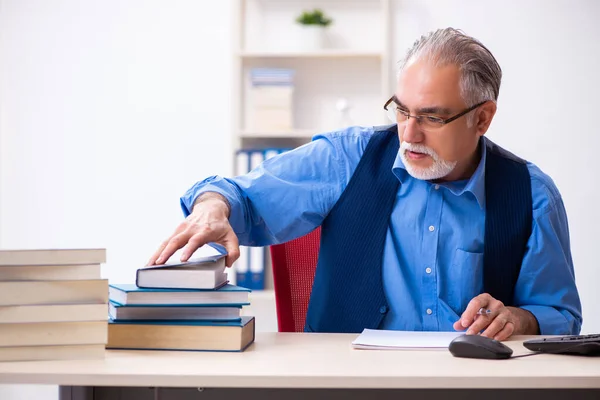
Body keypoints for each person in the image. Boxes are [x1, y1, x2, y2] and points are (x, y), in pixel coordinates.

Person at [148, 28, 582, 340]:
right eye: (401, 110)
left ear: (482, 118)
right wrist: (212, 206)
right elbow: (236, 193)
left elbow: (559, 312)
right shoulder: (346, 158)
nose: (409, 134)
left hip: (472, 387)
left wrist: (519, 319)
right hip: (349, 384)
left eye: (431, 117)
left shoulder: (533, 194)